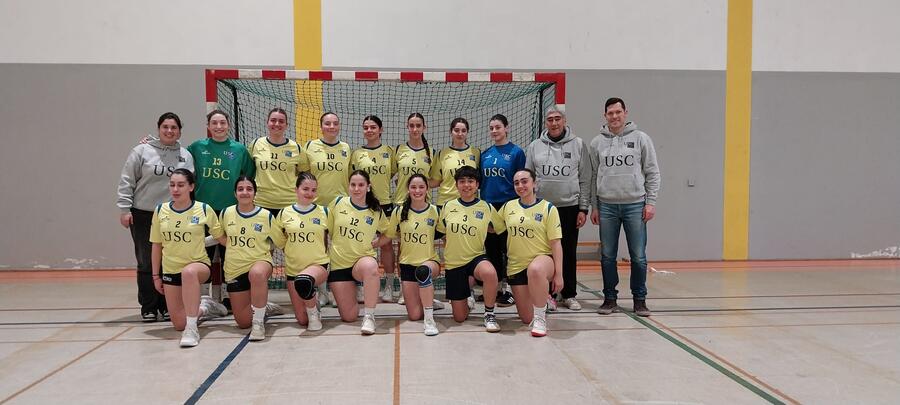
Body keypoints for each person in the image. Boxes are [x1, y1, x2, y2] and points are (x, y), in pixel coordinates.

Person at [117, 112, 195, 323]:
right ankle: (149, 306)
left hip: (172, 215)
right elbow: (127, 180)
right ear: (158, 128)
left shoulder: (185, 155)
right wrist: (125, 209)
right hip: (143, 213)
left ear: (179, 131)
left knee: (169, 261)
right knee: (146, 261)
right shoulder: (142, 150)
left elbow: (189, 185)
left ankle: (168, 305)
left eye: (174, 128)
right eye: (165, 127)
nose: (169, 131)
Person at [588, 97, 660, 317]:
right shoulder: (596, 143)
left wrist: (651, 202)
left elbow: (652, 172)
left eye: (618, 112)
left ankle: (640, 299)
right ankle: (609, 298)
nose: (615, 116)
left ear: (625, 113)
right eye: (610, 113)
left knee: (638, 256)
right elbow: (592, 177)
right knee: (608, 255)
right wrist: (595, 206)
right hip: (607, 206)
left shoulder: (641, 139)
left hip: (635, 205)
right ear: (605, 116)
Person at [150, 169, 228, 347]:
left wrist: (245, 245)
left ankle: (192, 329)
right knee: (178, 324)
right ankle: (205, 307)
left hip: (198, 266)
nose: (175, 189)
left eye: (181, 185)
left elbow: (220, 237)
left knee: (189, 272)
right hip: (171, 270)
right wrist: (156, 276)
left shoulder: (203, 209)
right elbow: (156, 245)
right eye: (172, 185)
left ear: (191, 187)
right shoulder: (160, 210)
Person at [188, 110, 256, 311]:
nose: (219, 127)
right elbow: (177, 159)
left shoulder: (239, 150)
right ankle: (202, 300)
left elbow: (248, 175)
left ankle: (229, 295)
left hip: (230, 212)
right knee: (203, 254)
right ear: (208, 126)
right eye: (214, 123)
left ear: (228, 125)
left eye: (223, 123)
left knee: (231, 254)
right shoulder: (196, 147)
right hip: (203, 211)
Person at [524, 106, 591, 311]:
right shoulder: (535, 146)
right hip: (542, 208)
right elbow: (528, 177)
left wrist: (584, 208)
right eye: (550, 119)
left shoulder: (578, 144)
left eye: (557, 119)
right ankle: (548, 295)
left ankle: (568, 294)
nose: (553, 123)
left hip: (569, 206)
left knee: (568, 252)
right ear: (546, 123)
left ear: (564, 121)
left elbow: (586, 178)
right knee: (544, 253)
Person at [497, 169, 563, 337]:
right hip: (516, 266)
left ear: (534, 183)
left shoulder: (548, 208)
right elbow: (492, 228)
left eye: (525, 181)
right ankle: (543, 299)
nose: (520, 185)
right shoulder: (508, 207)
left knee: (535, 270)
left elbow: (556, 244)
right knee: (526, 318)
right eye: (516, 183)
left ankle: (541, 319)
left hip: (542, 261)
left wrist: (559, 275)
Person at [436, 166, 501, 333]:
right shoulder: (448, 206)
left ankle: (489, 314)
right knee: (459, 318)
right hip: (454, 263)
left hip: (476, 257)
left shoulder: (486, 207)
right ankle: (467, 293)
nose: (466, 185)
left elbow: (499, 228)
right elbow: (441, 232)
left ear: (477, 184)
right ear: (456, 185)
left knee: (490, 273)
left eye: (471, 181)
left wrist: (486, 228)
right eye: (462, 181)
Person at [327, 170, 390, 335]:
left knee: (371, 266)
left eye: (361, 185)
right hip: (339, 264)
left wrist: (376, 243)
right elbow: (330, 231)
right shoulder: (337, 203)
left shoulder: (375, 211)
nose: (356, 189)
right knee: (349, 316)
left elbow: (389, 233)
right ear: (348, 186)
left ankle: (369, 316)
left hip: (361, 262)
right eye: (353, 185)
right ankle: (355, 291)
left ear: (368, 187)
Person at [214, 176, 275, 341]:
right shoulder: (226, 213)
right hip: (234, 269)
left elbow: (275, 242)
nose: (245, 192)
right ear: (235, 193)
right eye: (240, 189)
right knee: (242, 322)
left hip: (259, 263)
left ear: (255, 193)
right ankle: (263, 306)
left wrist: (260, 252)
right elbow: (222, 237)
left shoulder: (266, 215)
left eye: (249, 189)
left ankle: (258, 323)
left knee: (256, 273)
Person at [382, 174, 443, 335]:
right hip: (407, 265)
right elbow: (388, 236)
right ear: (408, 190)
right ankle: (428, 301)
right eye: (413, 187)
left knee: (423, 272)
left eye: (421, 187)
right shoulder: (399, 211)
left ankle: (429, 320)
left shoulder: (435, 211)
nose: (417, 190)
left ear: (427, 189)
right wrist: (372, 243)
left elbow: (446, 235)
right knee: (414, 315)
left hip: (430, 262)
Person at [272, 172, 330, 331]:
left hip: (318, 265)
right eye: (305, 189)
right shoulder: (284, 213)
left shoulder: (324, 212)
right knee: (301, 320)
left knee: (304, 281)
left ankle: (314, 315)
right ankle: (313, 303)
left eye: (313, 190)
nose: (310, 193)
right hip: (293, 269)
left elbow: (336, 236)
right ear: (296, 189)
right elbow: (279, 240)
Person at [479, 114, 525, 308]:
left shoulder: (516, 152)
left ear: (507, 127)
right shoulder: (485, 154)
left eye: (498, 127)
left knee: (510, 251)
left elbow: (522, 181)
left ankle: (513, 291)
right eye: (491, 128)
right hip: (489, 207)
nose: (494, 131)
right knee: (492, 250)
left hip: (508, 206)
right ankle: (495, 289)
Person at [350, 115, 397, 303]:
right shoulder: (357, 154)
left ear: (381, 130)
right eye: (366, 127)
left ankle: (389, 286)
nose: (369, 130)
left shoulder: (389, 151)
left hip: (384, 203)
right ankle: (361, 286)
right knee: (361, 244)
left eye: (373, 127)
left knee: (386, 244)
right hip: (362, 205)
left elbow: (393, 172)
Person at [392, 112, 434, 305]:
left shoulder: (430, 152)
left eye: (418, 125)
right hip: (403, 205)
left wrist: (420, 191)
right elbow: (392, 173)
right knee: (403, 248)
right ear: (407, 127)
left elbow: (435, 179)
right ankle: (404, 289)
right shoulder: (399, 150)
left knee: (426, 248)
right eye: (412, 125)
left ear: (424, 128)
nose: (415, 129)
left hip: (425, 208)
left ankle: (425, 287)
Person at [249, 107, 307, 216]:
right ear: (267, 123)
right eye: (273, 120)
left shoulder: (296, 148)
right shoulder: (256, 144)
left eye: (281, 121)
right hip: (261, 202)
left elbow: (304, 173)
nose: (277, 124)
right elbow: (248, 171)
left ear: (286, 125)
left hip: (288, 203)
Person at [430, 118, 480, 206]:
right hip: (446, 202)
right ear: (451, 132)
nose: (460, 134)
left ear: (467, 132)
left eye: (463, 130)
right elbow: (435, 181)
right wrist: (409, 180)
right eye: (456, 130)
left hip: (469, 202)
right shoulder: (442, 154)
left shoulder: (476, 153)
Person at [305, 112, 352, 205]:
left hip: (341, 204)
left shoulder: (346, 148)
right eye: (327, 123)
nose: (332, 126)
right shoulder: (310, 146)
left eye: (335, 123)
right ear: (321, 127)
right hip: (315, 204)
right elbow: (303, 175)